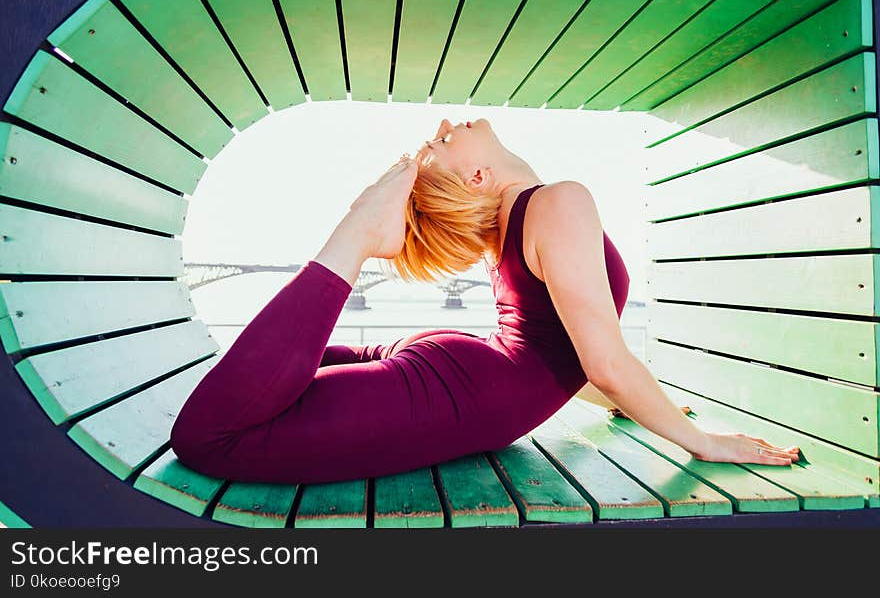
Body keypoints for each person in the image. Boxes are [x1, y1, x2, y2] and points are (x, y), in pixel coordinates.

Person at [169, 118, 799, 484]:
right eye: (437, 147)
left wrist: (625, 403)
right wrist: (702, 441)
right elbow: (598, 359)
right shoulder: (558, 202)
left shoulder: (527, 221)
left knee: (242, 408)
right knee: (214, 432)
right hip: (464, 382)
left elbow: (564, 352)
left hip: (462, 374)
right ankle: (360, 232)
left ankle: (361, 230)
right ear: (477, 179)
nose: (445, 127)